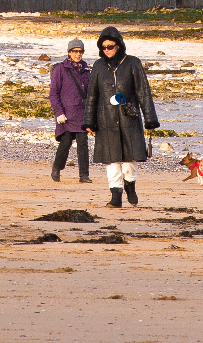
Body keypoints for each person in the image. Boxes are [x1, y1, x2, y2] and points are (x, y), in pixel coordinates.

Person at [86, 26, 157, 208]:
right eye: (104, 47)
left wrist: (150, 118)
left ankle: (130, 186)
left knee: (128, 162)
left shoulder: (133, 63)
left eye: (111, 46)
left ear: (119, 45)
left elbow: (143, 92)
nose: (107, 50)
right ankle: (115, 197)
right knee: (111, 161)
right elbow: (92, 95)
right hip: (106, 120)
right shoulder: (98, 66)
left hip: (129, 118)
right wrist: (89, 121)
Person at [48, 38, 92, 183]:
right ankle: (56, 167)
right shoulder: (60, 69)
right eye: (75, 51)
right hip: (65, 115)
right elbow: (53, 93)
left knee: (83, 143)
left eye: (80, 51)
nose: (78, 54)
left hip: (81, 114)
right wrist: (58, 113)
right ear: (69, 53)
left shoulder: (86, 70)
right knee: (65, 142)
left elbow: (91, 94)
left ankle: (84, 175)